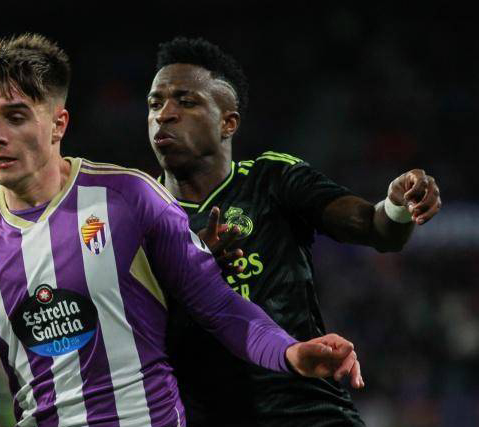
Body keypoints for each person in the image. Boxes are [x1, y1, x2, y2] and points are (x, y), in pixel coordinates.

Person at [0, 33, 364, 427]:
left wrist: (289, 353)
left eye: (15, 117)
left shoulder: (130, 199)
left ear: (58, 124)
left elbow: (220, 306)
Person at [147, 37, 442, 426]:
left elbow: (375, 228)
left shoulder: (271, 179)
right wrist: (191, 270)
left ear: (227, 123)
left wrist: (398, 206)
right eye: (155, 104)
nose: (165, 114)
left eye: (186, 102)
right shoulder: (137, 215)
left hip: (306, 412)